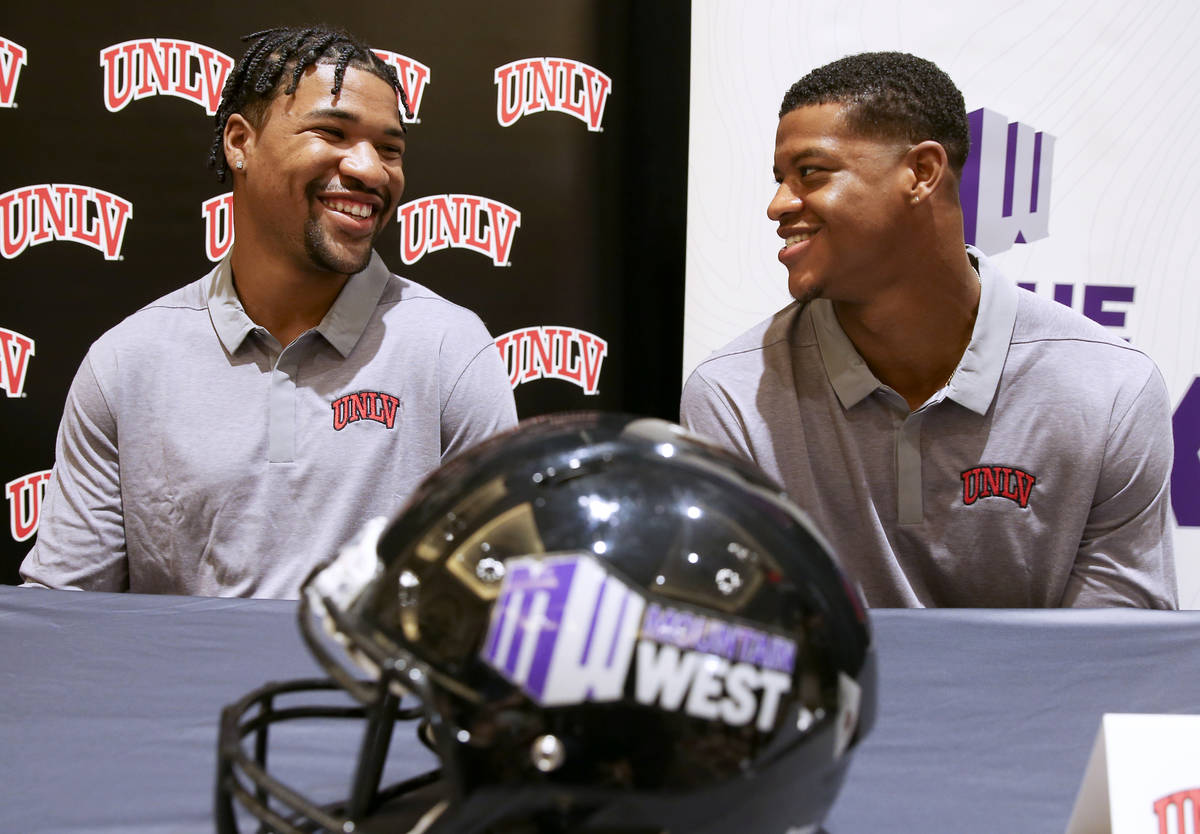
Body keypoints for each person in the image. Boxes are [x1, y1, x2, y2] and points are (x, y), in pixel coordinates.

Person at [21, 26, 517, 598]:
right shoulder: (126, 362)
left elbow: (495, 599)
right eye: (332, 132)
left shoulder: (448, 348)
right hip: (181, 690)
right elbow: (64, 611)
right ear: (240, 143)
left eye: (390, 148)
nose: (371, 170)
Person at [680, 51, 1176, 608]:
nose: (778, 205)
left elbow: (1115, 650)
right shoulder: (731, 396)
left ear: (921, 173)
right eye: (779, 179)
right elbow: (740, 638)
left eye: (810, 173)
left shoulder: (1109, 386)